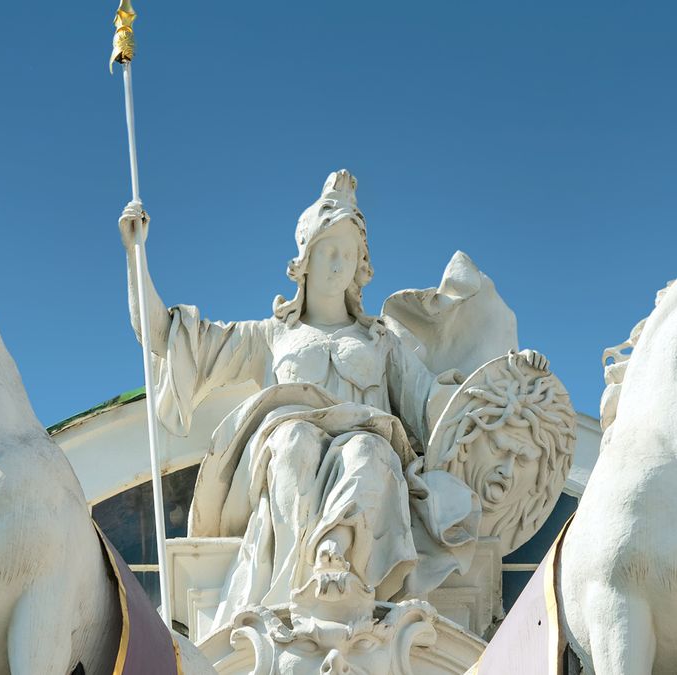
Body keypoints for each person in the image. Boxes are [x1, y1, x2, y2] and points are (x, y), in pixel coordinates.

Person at [119, 170, 469, 629]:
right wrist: (136, 255)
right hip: (289, 456)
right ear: (305, 258)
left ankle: (338, 560)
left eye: (349, 253)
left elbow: (434, 403)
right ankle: (290, 586)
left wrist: (504, 387)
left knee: (369, 450)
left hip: (368, 460)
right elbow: (167, 336)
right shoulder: (271, 336)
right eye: (328, 251)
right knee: (294, 442)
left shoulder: (382, 343)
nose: (338, 263)